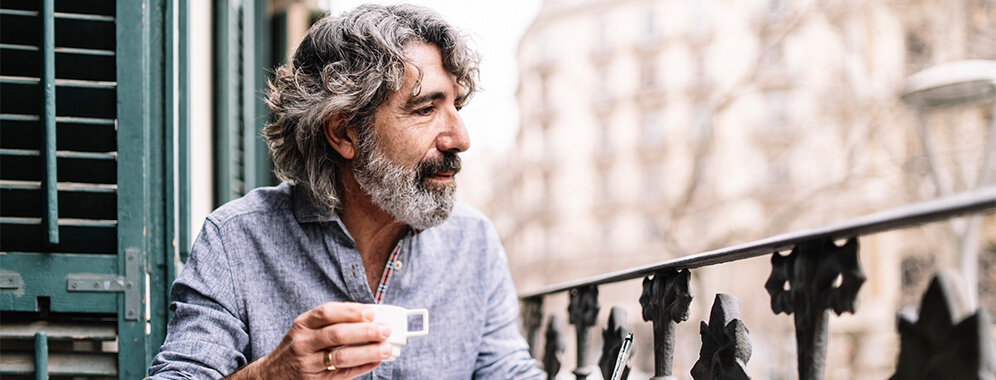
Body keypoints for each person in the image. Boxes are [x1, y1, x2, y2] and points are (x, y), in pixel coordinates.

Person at [146, 4, 542, 379]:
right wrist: (272, 373)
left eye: (457, 107)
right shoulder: (236, 241)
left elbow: (508, 369)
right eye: (425, 109)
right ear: (343, 132)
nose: (461, 138)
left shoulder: (472, 241)